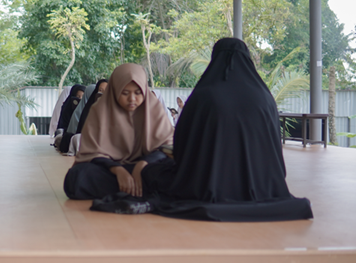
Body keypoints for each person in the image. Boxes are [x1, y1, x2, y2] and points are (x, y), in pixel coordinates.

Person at [143, 38, 313, 221]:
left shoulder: (203, 96)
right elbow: (274, 148)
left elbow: (182, 144)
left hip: (203, 185)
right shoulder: (265, 98)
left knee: (149, 171)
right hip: (263, 186)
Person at [64, 64, 174, 200]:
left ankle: (128, 188)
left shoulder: (154, 109)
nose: (132, 98)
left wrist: (142, 164)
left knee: (174, 171)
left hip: (147, 169)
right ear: (115, 90)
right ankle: (137, 188)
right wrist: (117, 169)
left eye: (138, 93)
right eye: (125, 93)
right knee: (76, 177)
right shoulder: (100, 111)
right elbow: (92, 152)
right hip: (108, 170)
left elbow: (166, 148)